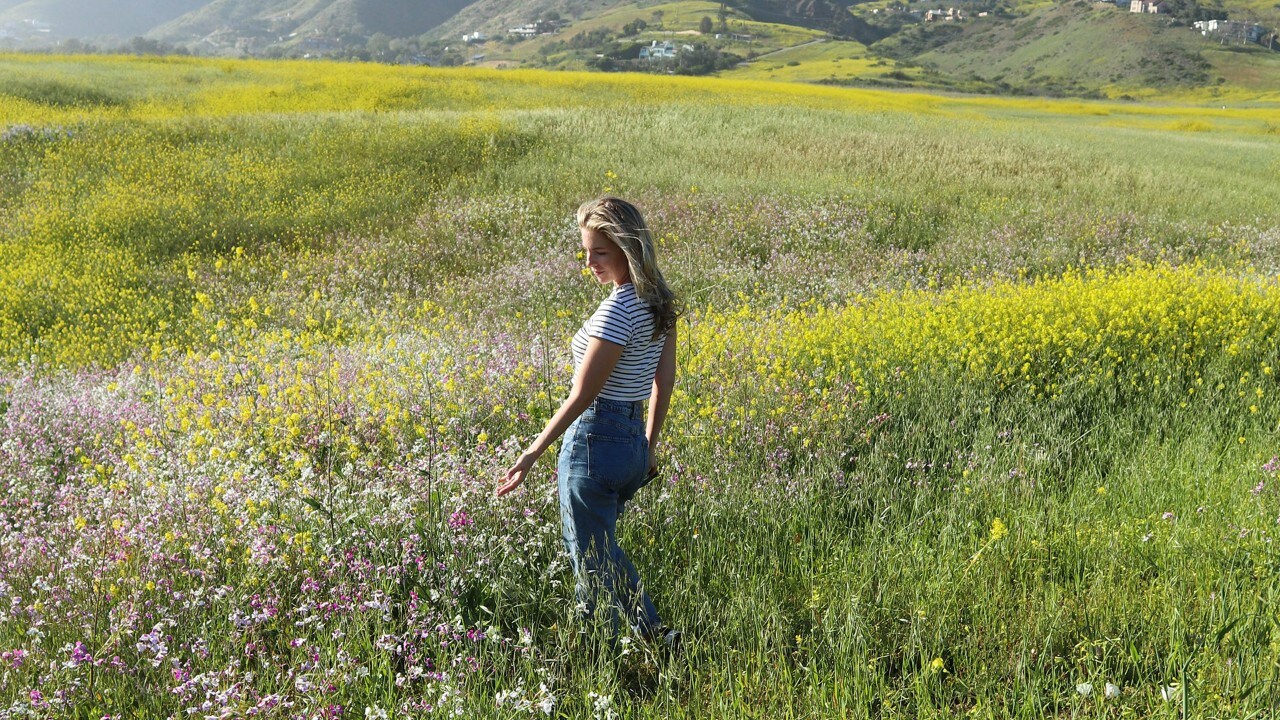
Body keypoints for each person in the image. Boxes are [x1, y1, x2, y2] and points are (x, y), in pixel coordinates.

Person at [497, 196, 681, 649]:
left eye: (599, 251)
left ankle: (605, 655)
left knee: (590, 558)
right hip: (629, 442)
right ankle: (654, 636)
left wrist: (531, 453)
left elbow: (583, 394)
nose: (589, 262)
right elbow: (664, 382)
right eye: (585, 251)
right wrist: (648, 444)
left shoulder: (618, 311)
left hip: (594, 442)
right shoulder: (659, 302)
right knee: (603, 550)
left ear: (626, 249)